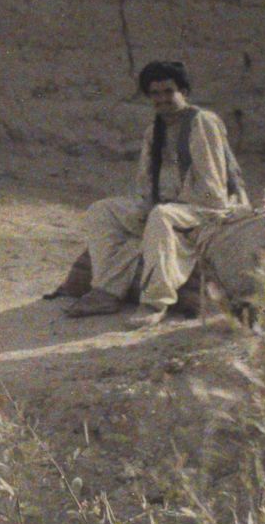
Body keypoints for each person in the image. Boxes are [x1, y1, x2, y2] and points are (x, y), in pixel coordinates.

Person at [66, 59, 249, 325]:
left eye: (168, 92)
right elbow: (145, 181)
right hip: (168, 206)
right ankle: (106, 289)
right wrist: (143, 208)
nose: (162, 99)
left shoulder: (202, 122)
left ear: (183, 92)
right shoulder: (155, 130)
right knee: (102, 211)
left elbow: (213, 188)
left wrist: (165, 207)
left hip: (208, 207)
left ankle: (155, 302)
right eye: (155, 94)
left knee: (162, 217)